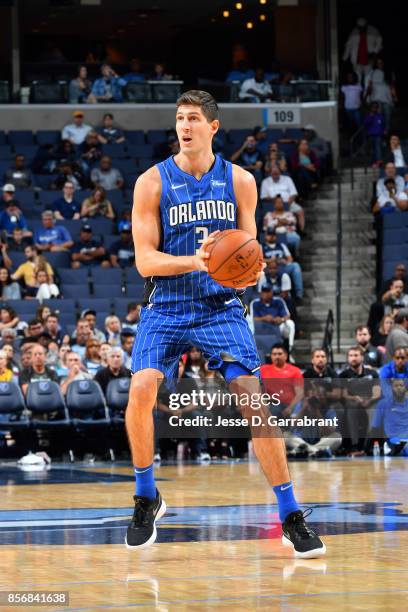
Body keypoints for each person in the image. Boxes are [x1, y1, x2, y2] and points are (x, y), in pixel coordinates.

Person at [125, 90, 325, 556]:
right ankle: (145, 496)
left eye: (193, 118)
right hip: (168, 306)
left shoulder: (241, 180)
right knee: (140, 391)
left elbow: (249, 250)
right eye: (179, 118)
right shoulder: (151, 183)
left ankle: (291, 515)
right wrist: (198, 261)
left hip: (221, 307)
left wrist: (250, 267)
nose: (184, 126)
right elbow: (144, 260)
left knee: (255, 403)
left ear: (213, 127)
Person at [339, 346, 381, 456]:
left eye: (356, 355)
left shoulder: (372, 373)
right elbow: (344, 394)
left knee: (374, 410)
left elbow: (377, 393)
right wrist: (355, 398)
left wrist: (369, 400)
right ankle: (355, 446)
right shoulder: (344, 375)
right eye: (351, 356)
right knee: (351, 408)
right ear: (348, 358)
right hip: (353, 401)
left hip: (370, 401)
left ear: (362, 357)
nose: (353, 358)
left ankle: (367, 447)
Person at [261, 228, 303, 300]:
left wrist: (285, 261)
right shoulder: (261, 246)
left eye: (273, 235)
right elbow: (259, 260)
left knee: (295, 265)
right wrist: (272, 260)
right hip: (269, 269)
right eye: (269, 234)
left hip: (282, 267)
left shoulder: (281, 245)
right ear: (265, 236)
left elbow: (290, 258)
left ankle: (298, 294)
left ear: (276, 236)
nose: (271, 236)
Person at [252, 285, 295, 352]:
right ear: (261, 293)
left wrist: (281, 319)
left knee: (290, 323)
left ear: (272, 292)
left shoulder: (278, 301)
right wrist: (264, 318)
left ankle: (290, 348)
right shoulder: (255, 303)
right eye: (264, 292)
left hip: (278, 326)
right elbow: (253, 319)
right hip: (263, 327)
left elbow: (287, 316)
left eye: (268, 292)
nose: (266, 294)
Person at [371, 379, 408, 455]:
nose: (399, 388)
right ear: (391, 388)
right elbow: (375, 427)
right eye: (396, 386)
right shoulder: (383, 403)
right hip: (393, 440)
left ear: (405, 388)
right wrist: (364, 450)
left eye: (401, 385)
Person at [363, 102, 386, 167]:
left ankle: (379, 161)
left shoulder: (380, 116)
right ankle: (373, 162)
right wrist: (371, 116)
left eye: (376, 107)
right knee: (373, 150)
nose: (374, 109)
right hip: (371, 135)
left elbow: (383, 124)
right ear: (370, 108)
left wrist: (384, 131)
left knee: (378, 148)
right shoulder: (368, 116)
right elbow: (366, 124)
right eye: (373, 107)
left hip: (378, 135)